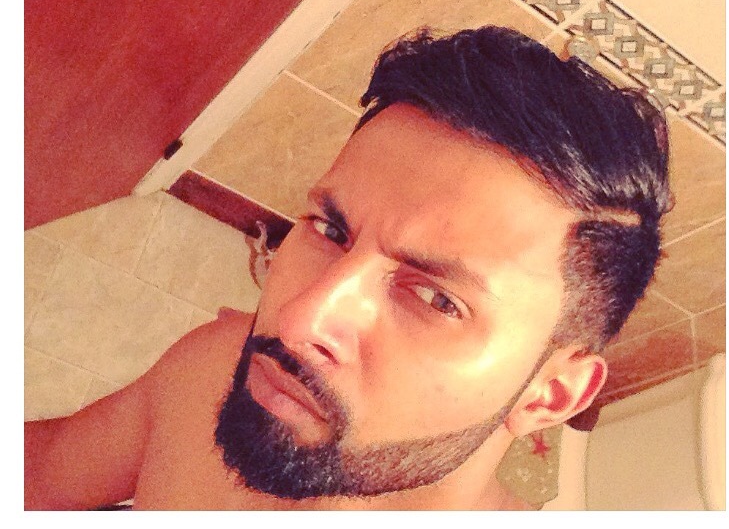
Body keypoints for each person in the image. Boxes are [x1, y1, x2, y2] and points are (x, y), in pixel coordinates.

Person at [24, 26, 671, 510]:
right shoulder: (210, 371)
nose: (299, 318)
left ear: (551, 393)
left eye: (437, 298)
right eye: (331, 230)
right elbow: (43, 471)